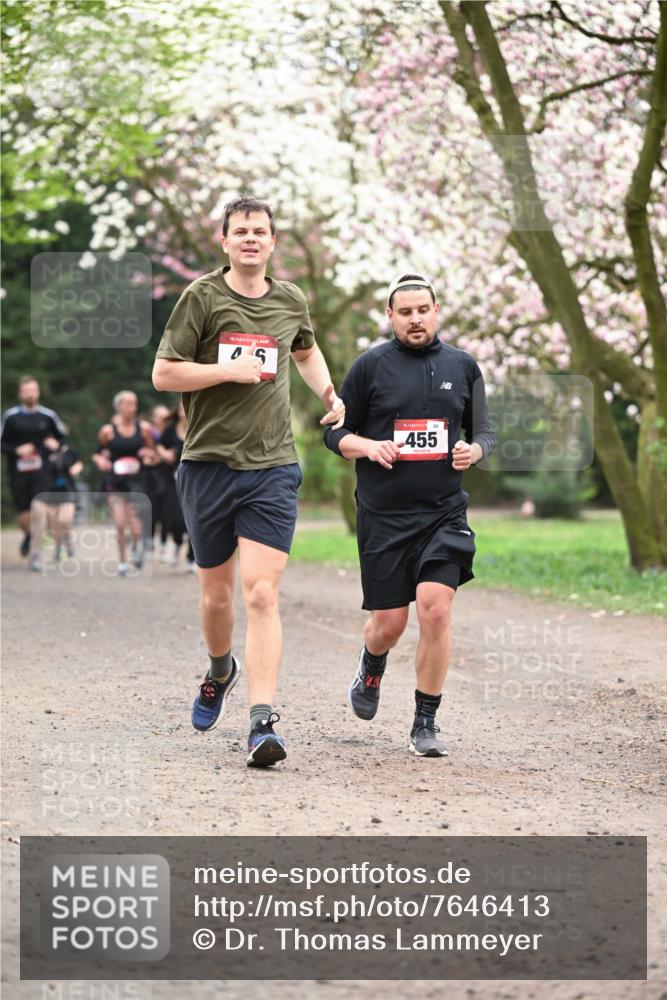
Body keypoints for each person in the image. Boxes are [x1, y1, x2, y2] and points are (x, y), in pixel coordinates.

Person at [153, 195, 344, 768]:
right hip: (207, 464)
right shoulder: (202, 297)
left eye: (260, 231)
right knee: (217, 597)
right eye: (241, 231)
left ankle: (262, 723)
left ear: (273, 241)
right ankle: (220, 670)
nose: (251, 239)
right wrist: (225, 371)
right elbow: (164, 373)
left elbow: (305, 351)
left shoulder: (290, 299)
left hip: (272, 466)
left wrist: (328, 393)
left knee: (261, 592)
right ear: (225, 241)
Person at [325, 273, 495, 758]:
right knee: (389, 625)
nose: (415, 319)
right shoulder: (370, 366)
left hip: (444, 513)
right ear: (390, 316)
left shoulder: (463, 366)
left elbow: (485, 432)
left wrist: (474, 452)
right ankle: (372, 663)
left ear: (436, 311)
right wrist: (368, 446)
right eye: (405, 312)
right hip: (384, 515)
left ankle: (425, 721)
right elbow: (334, 434)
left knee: (436, 609)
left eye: (423, 310)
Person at [1, 375, 65, 571]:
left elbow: (62, 439)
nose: (30, 395)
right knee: (23, 516)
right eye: (26, 391)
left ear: (38, 393)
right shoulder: (10, 417)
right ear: (20, 394)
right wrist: (16, 450)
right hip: (18, 472)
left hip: (42, 471)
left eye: (33, 391)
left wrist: (56, 444)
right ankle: (29, 536)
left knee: (39, 509)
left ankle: (35, 556)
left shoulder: (48, 416)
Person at [91, 391, 155, 577]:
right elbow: (97, 453)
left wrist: (148, 454)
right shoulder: (108, 431)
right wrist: (101, 461)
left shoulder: (144, 429)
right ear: (118, 407)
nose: (131, 407)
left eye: (134, 403)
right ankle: (122, 562)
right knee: (119, 523)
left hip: (137, 482)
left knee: (135, 525)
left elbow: (152, 452)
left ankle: (136, 547)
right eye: (127, 403)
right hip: (115, 482)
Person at [156, 401, 195, 571]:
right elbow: (159, 445)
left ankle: (192, 558)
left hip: (195, 481)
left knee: (194, 519)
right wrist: (164, 453)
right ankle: (178, 541)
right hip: (173, 480)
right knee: (175, 520)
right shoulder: (171, 429)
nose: (184, 411)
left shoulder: (198, 427)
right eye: (181, 408)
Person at [45, 436, 83, 560]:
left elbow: (79, 463)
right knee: (54, 523)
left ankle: (68, 543)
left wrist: (76, 468)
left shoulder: (69, 451)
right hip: (50, 491)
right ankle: (57, 548)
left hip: (67, 490)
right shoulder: (43, 452)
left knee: (65, 520)